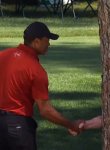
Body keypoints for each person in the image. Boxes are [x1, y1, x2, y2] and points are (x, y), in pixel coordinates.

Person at [0, 21, 83, 150]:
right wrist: (71, 124)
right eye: (47, 40)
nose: (49, 44)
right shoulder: (36, 70)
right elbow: (45, 110)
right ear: (36, 41)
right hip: (17, 127)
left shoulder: (3, 55)